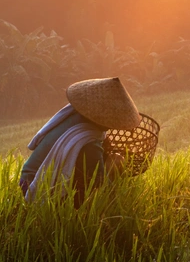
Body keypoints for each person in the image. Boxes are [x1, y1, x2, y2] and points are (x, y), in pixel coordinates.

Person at [19, 77, 141, 207]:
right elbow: (99, 185)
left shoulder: (73, 115)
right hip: (33, 187)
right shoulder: (88, 143)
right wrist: (112, 168)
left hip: (27, 175)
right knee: (87, 196)